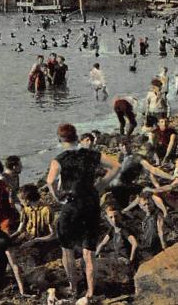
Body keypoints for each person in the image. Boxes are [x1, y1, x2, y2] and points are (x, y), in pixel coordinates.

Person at [46, 124, 121, 301]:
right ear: (77, 137)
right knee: (89, 251)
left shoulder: (59, 159)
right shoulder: (91, 154)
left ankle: (73, 287)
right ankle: (91, 292)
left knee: (67, 250)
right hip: (90, 203)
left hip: (72, 206)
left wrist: (58, 198)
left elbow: (50, 182)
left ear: (60, 140)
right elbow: (116, 166)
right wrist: (101, 185)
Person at [108, 138, 173, 208]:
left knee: (143, 191)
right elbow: (152, 170)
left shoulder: (131, 157)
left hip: (119, 186)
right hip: (118, 186)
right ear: (119, 147)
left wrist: (170, 177)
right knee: (146, 190)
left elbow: (151, 170)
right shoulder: (127, 157)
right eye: (122, 145)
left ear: (131, 145)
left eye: (126, 144)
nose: (125, 147)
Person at [123, 192, 167, 256]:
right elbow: (125, 211)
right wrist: (138, 200)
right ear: (140, 206)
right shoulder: (139, 215)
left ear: (151, 203)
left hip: (156, 245)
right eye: (144, 205)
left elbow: (160, 230)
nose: (147, 207)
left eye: (148, 204)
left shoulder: (157, 213)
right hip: (144, 247)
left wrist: (163, 243)